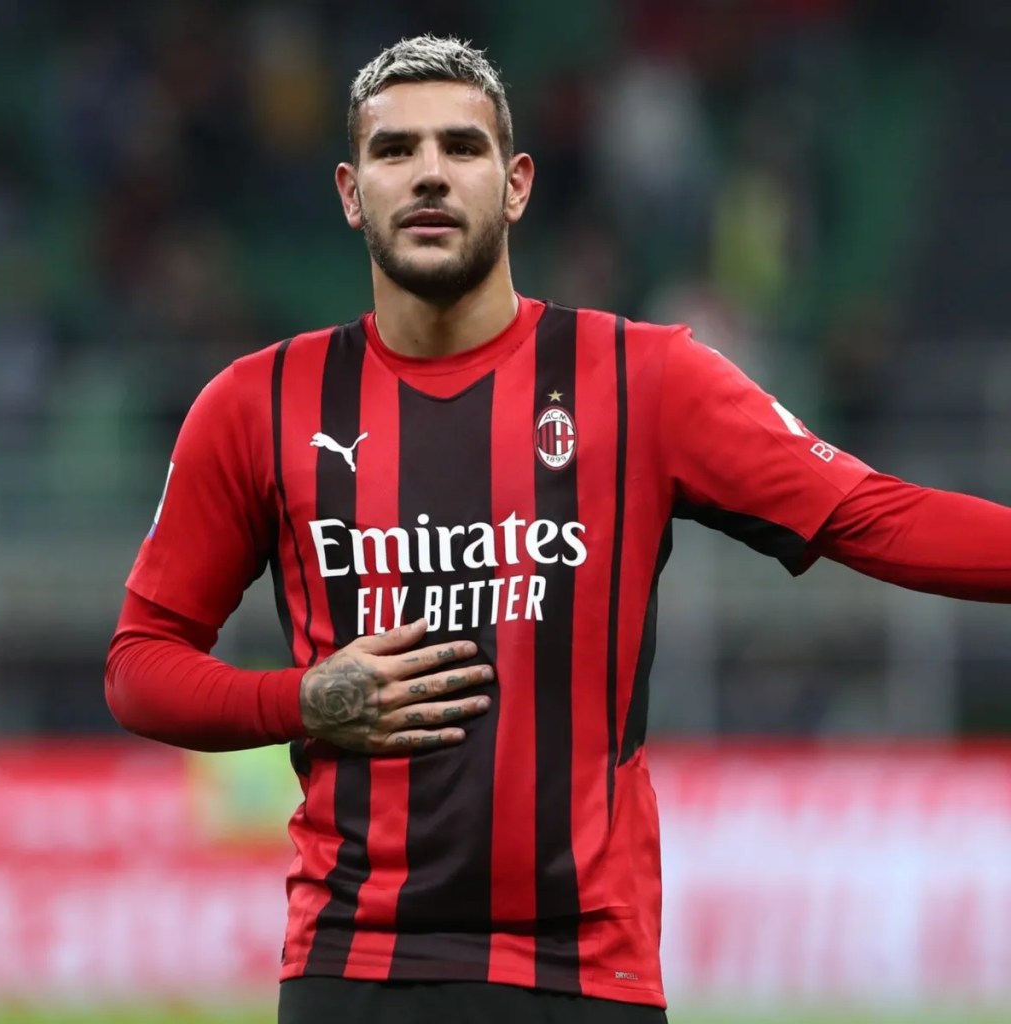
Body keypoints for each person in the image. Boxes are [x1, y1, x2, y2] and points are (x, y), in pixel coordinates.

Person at [106, 33, 1011, 1024]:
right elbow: (140, 665)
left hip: (583, 969)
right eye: (395, 150)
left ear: (518, 184)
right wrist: (302, 699)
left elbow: (874, 515)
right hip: (351, 964)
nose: (430, 174)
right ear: (351, 193)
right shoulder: (257, 404)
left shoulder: (643, 379)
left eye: (462, 146)